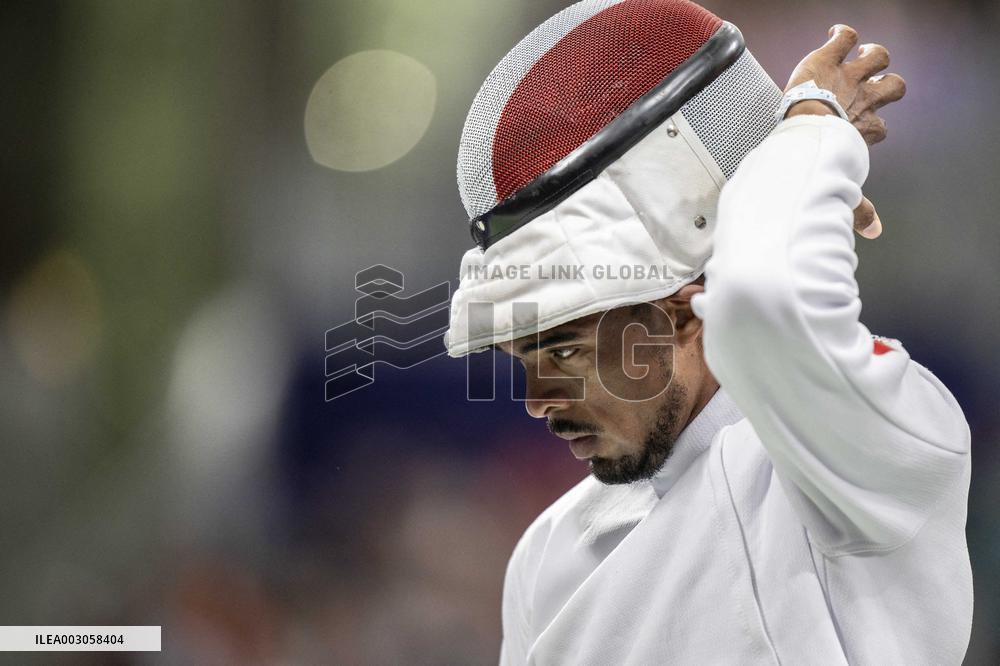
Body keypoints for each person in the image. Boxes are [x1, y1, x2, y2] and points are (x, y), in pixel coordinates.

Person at [443, 1, 972, 663]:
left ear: (690, 305)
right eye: (522, 355)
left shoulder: (876, 443)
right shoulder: (548, 558)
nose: (536, 400)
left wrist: (810, 133)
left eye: (567, 349)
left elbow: (761, 296)